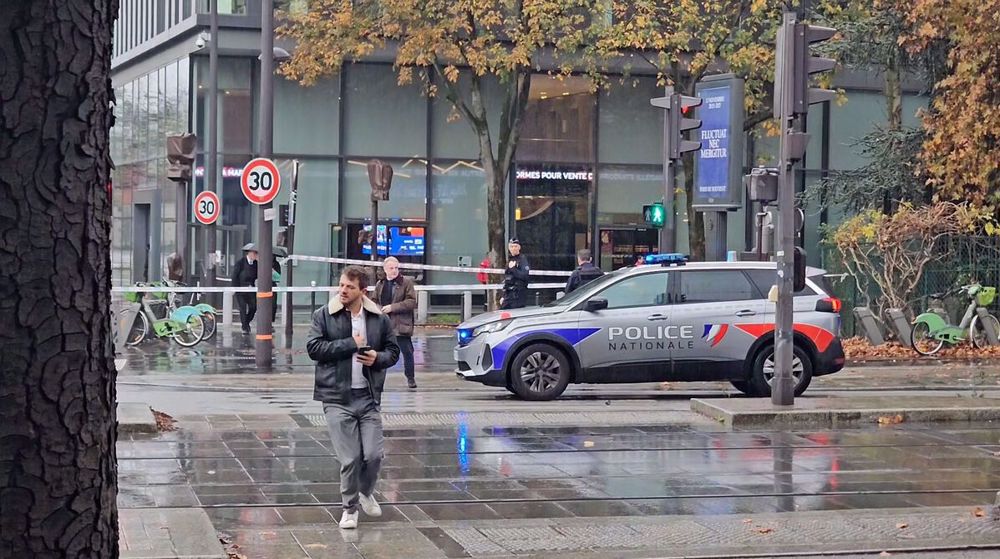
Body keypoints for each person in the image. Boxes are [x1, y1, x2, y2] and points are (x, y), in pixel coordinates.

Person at [306, 265, 400, 530]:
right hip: (336, 397)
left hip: (368, 397)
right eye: (341, 285)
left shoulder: (378, 319)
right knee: (350, 459)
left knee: (373, 455)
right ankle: (349, 509)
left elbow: (393, 352)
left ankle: (364, 491)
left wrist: (376, 358)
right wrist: (351, 343)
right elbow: (314, 348)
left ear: (363, 291)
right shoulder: (324, 315)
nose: (343, 290)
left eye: (349, 286)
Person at [374, 257, 418, 389]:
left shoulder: (406, 283)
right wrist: (378, 309)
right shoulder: (380, 284)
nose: (394, 271)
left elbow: (411, 302)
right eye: (391, 268)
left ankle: (410, 378)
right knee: (381, 354)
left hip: (401, 325)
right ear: (385, 269)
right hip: (385, 326)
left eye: (396, 268)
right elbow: (374, 300)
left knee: (407, 352)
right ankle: (378, 379)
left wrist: (393, 307)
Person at [231, 243, 258, 334]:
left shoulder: (256, 264)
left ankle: (246, 322)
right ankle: (245, 327)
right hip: (240, 289)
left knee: (253, 307)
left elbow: (258, 276)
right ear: (250, 253)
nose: (256, 256)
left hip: (251, 289)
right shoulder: (240, 263)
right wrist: (235, 289)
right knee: (242, 308)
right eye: (255, 253)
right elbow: (234, 276)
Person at [501, 238, 530, 310]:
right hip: (508, 295)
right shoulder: (510, 259)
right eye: (511, 246)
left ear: (519, 247)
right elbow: (507, 279)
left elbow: (524, 276)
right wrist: (503, 296)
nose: (513, 248)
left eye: (515, 246)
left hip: (518, 295)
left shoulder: (522, 259)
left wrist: (513, 269)